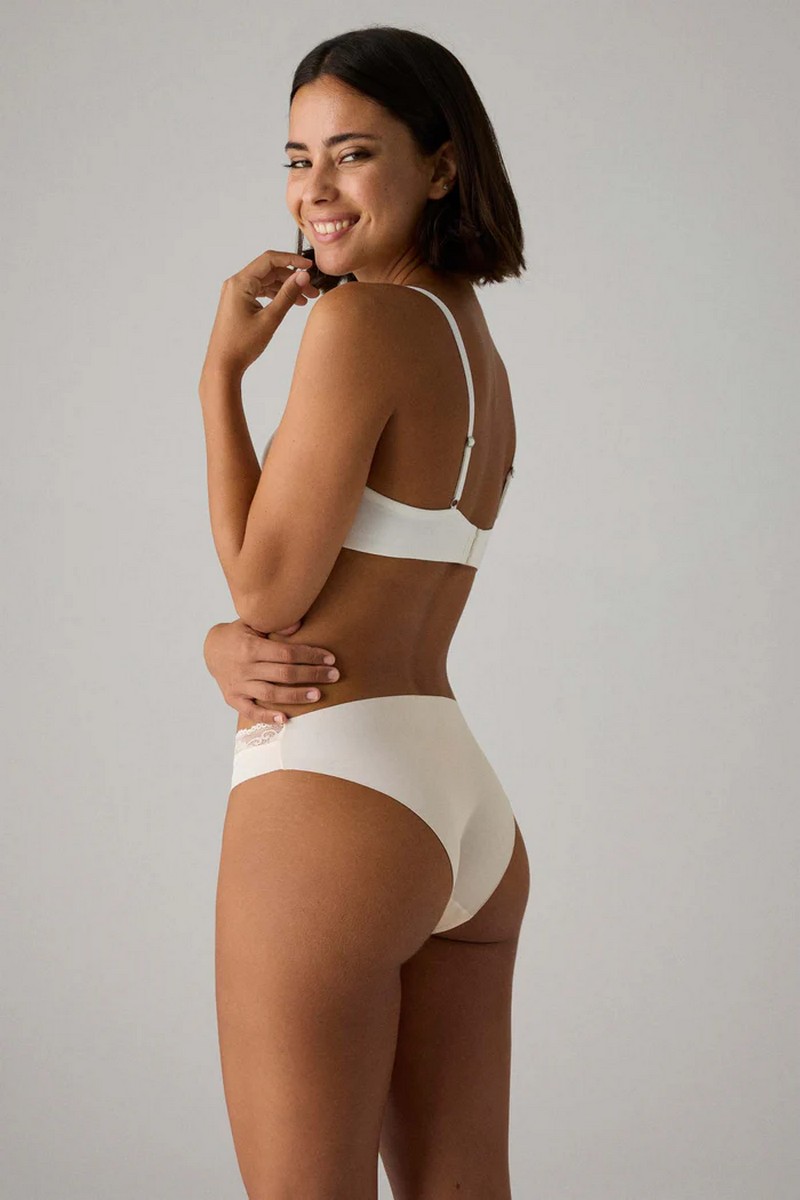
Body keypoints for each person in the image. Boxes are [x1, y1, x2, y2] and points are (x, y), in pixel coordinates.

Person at [198, 26, 531, 1200]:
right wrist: (229, 643)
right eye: (297, 159)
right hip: (461, 812)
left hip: (334, 799)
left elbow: (265, 590)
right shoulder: (473, 350)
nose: (314, 192)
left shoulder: (358, 323)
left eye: (352, 153)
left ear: (440, 165)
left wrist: (219, 376)